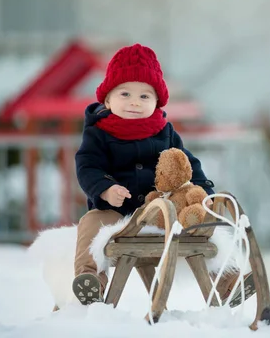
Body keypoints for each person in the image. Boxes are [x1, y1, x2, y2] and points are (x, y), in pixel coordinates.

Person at [72, 43, 252, 306]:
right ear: (108, 99)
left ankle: (227, 281)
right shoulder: (99, 133)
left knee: (205, 225)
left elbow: (188, 163)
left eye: (145, 96)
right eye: (125, 93)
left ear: (157, 101)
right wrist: (106, 189)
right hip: (115, 212)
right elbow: (87, 165)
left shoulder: (165, 132)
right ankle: (90, 280)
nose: (135, 101)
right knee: (90, 224)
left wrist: (205, 195)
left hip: (161, 210)